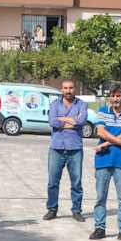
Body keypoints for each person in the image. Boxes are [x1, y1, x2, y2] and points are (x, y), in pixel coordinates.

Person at [91, 85, 121, 241]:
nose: (115, 99)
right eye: (113, 95)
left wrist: (105, 144)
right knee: (100, 197)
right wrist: (118, 141)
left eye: (118, 95)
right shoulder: (103, 111)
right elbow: (100, 132)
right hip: (103, 160)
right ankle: (100, 228)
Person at [44, 78, 88, 221]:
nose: (68, 91)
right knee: (53, 182)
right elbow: (52, 121)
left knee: (76, 182)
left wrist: (62, 120)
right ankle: (52, 209)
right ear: (61, 89)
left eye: (70, 88)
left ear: (75, 88)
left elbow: (82, 121)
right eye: (65, 88)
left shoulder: (81, 104)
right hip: (56, 148)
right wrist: (73, 121)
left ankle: (76, 210)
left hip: (75, 148)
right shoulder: (55, 104)